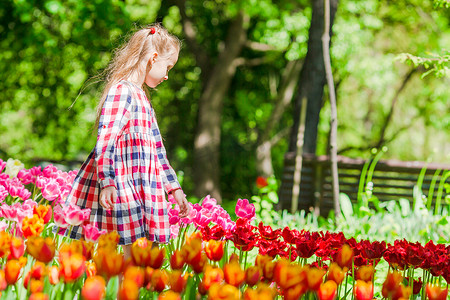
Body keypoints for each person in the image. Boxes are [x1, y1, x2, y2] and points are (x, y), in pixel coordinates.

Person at [63, 24, 190, 257]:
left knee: (144, 252)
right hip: (123, 186)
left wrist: (174, 188)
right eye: (168, 67)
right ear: (153, 58)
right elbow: (107, 141)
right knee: (127, 251)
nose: (167, 75)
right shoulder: (122, 92)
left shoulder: (143, 98)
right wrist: (108, 181)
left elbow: (157, 151)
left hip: (143, 187)